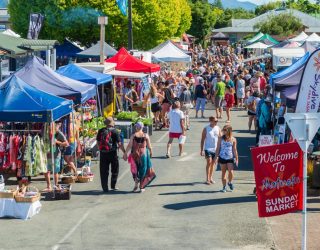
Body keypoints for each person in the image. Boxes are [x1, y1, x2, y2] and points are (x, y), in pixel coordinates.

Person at [123, 122, 155, 192]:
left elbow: (129, 146)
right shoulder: (146, 135)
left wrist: (125, 153)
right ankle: (141, 186)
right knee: (143, 169)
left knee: (134, 168)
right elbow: (149, 146)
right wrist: (151, 152)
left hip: (134, 154)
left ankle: (135, 182)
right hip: (144, 154)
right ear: (142, 127)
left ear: (137, 127)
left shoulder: (133, 136)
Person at [97, 117, 125, 192]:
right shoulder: (115, 131)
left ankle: (105, 188)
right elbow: (119, 144)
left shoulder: (101, 131)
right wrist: (124, 152)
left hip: (103, 153)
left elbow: (98, 142)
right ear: (112, 123)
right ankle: (113, 186)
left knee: (103, 171)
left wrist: (100, 149)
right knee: (115, 170)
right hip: (113, 153)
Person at [44, 121, 69, 191]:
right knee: (46, 171)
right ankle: (49, 186)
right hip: (46, 155)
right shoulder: (44, 133)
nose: (49, 128)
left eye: (50, 126)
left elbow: (67, 143)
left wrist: (57, 141)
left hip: (56, 155)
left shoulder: (58, 133)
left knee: (55, 171)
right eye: (48, 126)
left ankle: (55, 185)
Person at [214, 125, 239, 193]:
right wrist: (216, 157)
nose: (224, 131)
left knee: (231, 171)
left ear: (229, 131)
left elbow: (234, 149)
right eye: (223, 130)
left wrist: (236, 158)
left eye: (225, 130)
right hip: (222, 157)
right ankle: (224, 186)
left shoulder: (233, 139)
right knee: (223, 172)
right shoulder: (220, 138)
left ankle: (230, 182)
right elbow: (218, 148)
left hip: (230, 157)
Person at [200, 117, 221, 185]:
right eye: (215, 121)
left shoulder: (218, 128)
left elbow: (220, 138)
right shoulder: (206, 128)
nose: (216, 122)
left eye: (217, 121)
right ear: (210, 121)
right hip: (208, 148)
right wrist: (201, 150)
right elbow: (202, 139)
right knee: (209, 162)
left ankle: (211, 177)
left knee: (213, 164)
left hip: (216, 149)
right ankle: (207, 179)